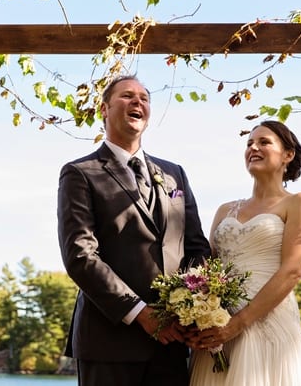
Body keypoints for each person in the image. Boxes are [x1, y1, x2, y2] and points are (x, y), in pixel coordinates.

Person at [57, 74, 212, 385]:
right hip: (108, 341)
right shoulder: (80, 173)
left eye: (144, 98)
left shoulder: (174, 174)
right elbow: (80, 256)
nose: (138, 101)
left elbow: (196, 247)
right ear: (104, 108)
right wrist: (141, 312)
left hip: (171, 344)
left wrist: (194, 306)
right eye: (127, 96)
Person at [187, 120, 301, 385]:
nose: (253, 148)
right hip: (218, 330)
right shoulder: (225, 210)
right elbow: (206, 271)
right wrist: (197, 314)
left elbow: (292, 271)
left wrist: (237, 324)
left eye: (264, 142)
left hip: (266, 322)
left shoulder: (298, 202)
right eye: (249, 143)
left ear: (288, 155)